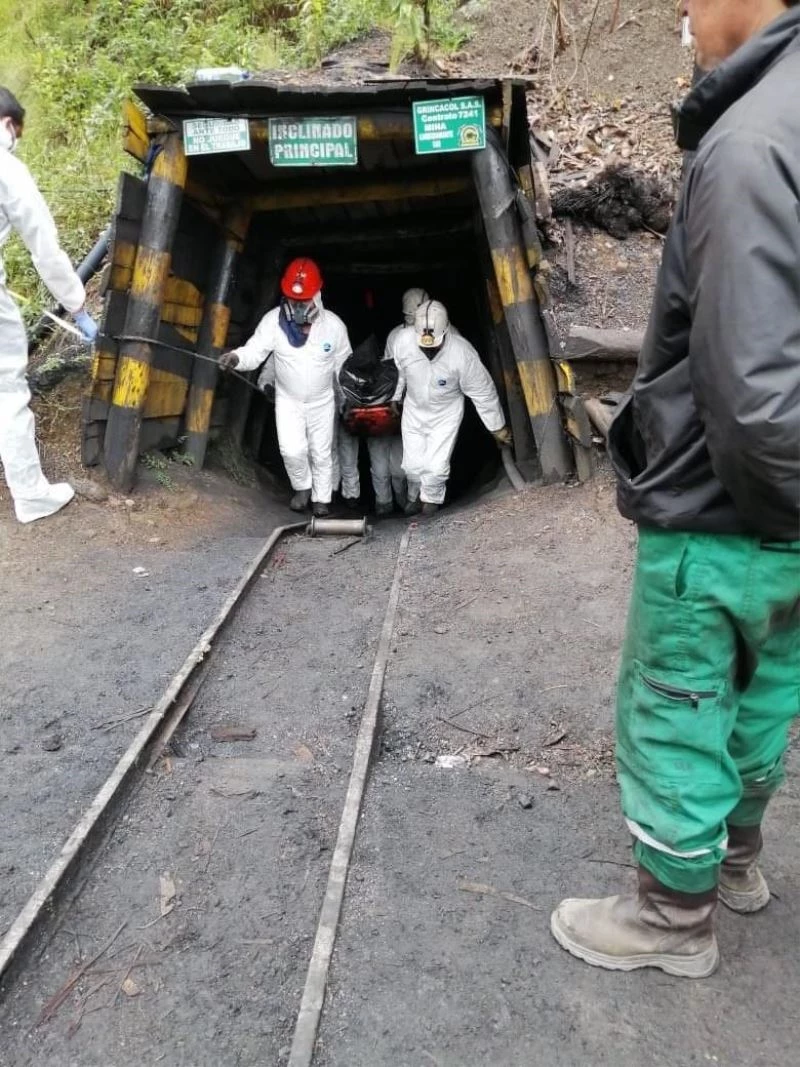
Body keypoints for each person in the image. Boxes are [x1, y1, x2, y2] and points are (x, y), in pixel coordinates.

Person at [551, 0, 800, 980]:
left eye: (691, 0)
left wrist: (769, 516)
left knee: (676, 699)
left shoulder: (744, 149)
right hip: (783, 518)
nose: (683, 18)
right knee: (762, 694)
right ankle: (733, 864)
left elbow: (747, 394)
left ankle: (669, 915)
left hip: (725, 509)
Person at [0, 87, 98, 524]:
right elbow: (46, 249)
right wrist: (78, 307)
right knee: (7, 393)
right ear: (8, 125)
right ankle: (31, 495)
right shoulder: (8, 168)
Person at [220, 258, 351, 518]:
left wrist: (347, 400)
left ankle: (321, 499)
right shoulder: (272, 322)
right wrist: (236, 358)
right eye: (293, 298)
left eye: (303, 300)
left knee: (321, 452)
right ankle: (302, 488)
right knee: (291, 451)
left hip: (322, 400)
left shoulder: (334, 327)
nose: (299, 305)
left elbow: (344, 368)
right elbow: (255, 351)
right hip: (288, 400)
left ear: (317, 294)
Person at [391, 299, 511, 516]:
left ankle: (430, 503)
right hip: (414, 410)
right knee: (411, 467)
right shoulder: (402, 342)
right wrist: (395, 397)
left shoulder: (462, 354)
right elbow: (399, 373)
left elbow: (483, 392)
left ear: (446, 331)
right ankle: (415, 497)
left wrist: (497, 427)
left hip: (445, 414)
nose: (428, 350)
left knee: (436, 467)